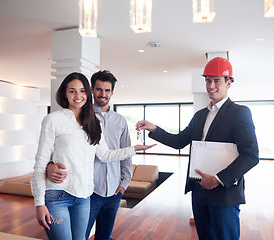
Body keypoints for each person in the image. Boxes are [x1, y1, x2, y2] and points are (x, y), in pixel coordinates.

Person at [136, 57, 259, 240]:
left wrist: (218, 179)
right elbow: (179, 141)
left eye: (217, 80)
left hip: (224, 193)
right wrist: (154, 128)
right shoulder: (200, 115)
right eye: (208, 80)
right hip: (199, 190)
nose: (211, 85)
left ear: (228, 83)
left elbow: (251, 155)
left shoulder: (239, 112)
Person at [30, 72, 154, 240]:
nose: (78, 95)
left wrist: (134, 149)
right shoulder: (53, 120)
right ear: (64, 93)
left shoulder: (93, 122)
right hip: (58, 196)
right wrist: (39, 203)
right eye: (72, 91)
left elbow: (105, 155)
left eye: (81, 91)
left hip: (84, 197)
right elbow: (39, 164)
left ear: (87, 93)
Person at [47, 70, 132, 240]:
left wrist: (124, 183)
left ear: (112, 92)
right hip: (87, 191)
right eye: (99, 89)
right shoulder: (80, 117)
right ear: (91, 90)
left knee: (105, 236)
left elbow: (125, 153)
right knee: (81, 236)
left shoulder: (120, 120)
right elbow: (60, 148)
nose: (103, 94)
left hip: (114, 191)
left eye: (107, 90)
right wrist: (49, 165)